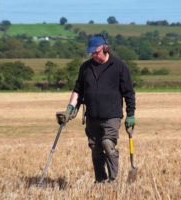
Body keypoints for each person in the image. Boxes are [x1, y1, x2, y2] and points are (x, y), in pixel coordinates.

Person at [56, 34, 136, 184]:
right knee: (95, 148)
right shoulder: (85, 67)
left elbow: (129, 92)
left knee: (108, 144)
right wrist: (69, 109)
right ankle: (100, 180)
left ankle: (113, 181)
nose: (94, 56)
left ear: (106, 49)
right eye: (91, 53)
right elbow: (78, 90)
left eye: (96, 52)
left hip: (111, 116)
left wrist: (130, 114)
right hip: (92, 116)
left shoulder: (119, 67)